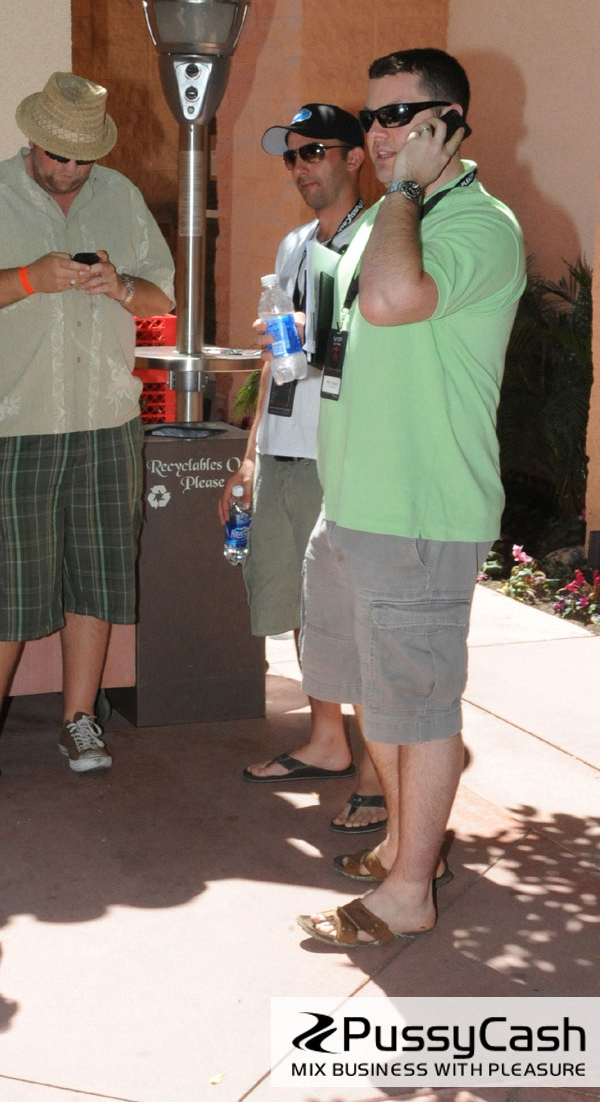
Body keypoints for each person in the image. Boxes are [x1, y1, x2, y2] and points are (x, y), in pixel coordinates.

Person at [295, 49, 525, 947]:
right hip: (357, 502)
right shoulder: (396, 218)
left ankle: (409, 892)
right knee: (378, 697)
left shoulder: (475, 222)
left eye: (402, 117)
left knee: (417, 705)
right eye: (373, 116)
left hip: (419, 513)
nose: (377, 134)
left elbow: (393, 301)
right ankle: (405, 840)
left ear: (451, 124)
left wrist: (403, 191)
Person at [0, 72, 175, 801]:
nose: (72, 170)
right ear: (33, 139)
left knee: (99, 577)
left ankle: (80, 718)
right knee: (2, 587)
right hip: (18, 424)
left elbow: (163, 296)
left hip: (109, 421)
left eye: (84, 159)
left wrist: (121, 286)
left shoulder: (122, 196)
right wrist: (29, 279)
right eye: (59, 155)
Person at [217, 102, 386, 832]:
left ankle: (379, 771)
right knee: (298, 606)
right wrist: (248, 455)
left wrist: (319, 348)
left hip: (346, 452)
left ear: (355, 158)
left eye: (315, 151)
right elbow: (274, 359)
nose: (301, 166)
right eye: (291, 156)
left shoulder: (382, 240)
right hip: (285, 447)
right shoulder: (293, 245)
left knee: (357, 615)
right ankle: (325, 740)